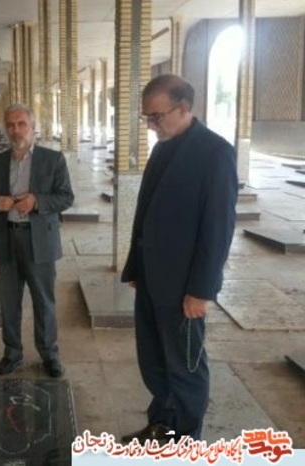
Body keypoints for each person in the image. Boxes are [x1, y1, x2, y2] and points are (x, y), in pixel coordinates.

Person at [120, 74, 238, 443]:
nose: (151, 125)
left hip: (185, 286)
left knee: (186, 366)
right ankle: (162, 424)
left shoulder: (215, 153)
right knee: (154, 360)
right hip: (151, 278)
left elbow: (218, 229)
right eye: (147, 118)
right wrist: (136, 267)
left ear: (184, 108)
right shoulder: (162, 148)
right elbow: (145, 213)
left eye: (156, 117)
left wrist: (201, 290)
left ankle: (186, 440)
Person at [0, 103, 74, 378]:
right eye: (10, 125)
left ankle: (49, 354)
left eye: (21, 124)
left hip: (39, 240)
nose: (16, 130)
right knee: (9, 302)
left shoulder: (53, 160)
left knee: (44, 301)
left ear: (33, 127)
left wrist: (37, 201)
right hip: (7, 238)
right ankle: (12, 353)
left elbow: (66, 197)